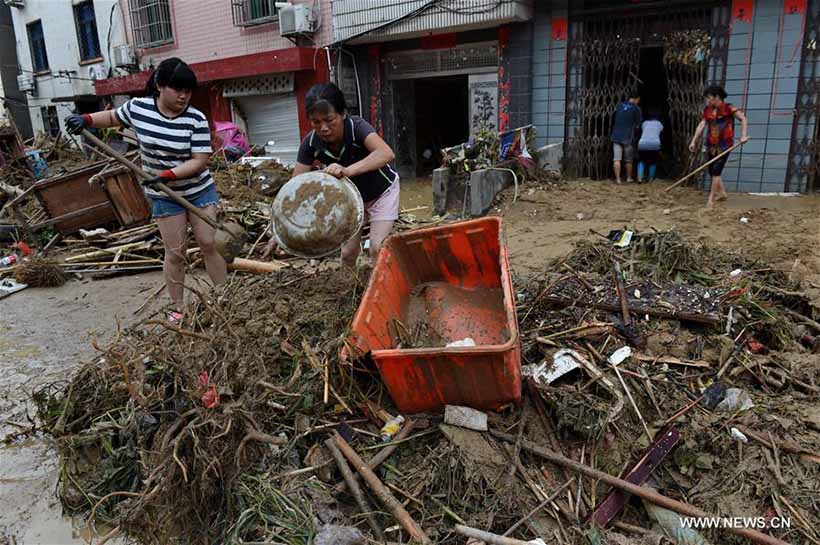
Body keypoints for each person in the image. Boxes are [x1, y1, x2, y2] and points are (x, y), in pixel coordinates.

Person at [65, 58, 225, 321]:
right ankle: (178, 309)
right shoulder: (139, 108)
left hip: (197, 190)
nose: (184, 96)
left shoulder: (195, 119)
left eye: (188, 91)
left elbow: (199, 161)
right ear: (161, 86)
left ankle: (223, 297)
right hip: (164, 196)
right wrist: (85, 119)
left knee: (208, 242)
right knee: (175, 253)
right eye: (178, 90)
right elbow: (111, 117)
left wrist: (167, 175)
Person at [265, 82, 397, 268]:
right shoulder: (310, 143)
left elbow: (386, 153)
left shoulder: (357, 128)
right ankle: (351, 292)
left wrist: (347, 170)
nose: (324, 128)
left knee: (377, 248)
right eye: (316, 122)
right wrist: (278, 230)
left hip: (381, 193)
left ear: (343, 114)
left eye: (329, 120)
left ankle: (379, 294)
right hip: (348, 199)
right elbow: (293, 187)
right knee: (348, 253)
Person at [689, 85, 749, 207]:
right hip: (711, 145)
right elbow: (701, 125)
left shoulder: (728, 108)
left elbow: (743, 119)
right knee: (712, 170)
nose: (707, 100)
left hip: (725, 146)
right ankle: (721, 193)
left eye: (709, 98)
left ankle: (711, 199)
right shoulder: (708, 110)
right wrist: (694, 141)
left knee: (716, 171)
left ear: (717, 97)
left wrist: (743, 136)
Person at [610, 90, 641, 184]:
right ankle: (628, 178)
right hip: (628, 137)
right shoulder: (636, 108)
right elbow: (637, 125)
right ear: (637, 99)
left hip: (616, 136)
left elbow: (614, 118)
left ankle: (618, 179)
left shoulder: (619, 105)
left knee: (616, 159)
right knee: (628, 160)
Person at [637, 108, 663, 182]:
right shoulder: (659, 124)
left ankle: (639, 178)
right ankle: (651, 178)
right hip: (655, 144)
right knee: (653, 162)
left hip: (642, 144)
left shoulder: (644, 123)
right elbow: (661, 132)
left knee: (641, 161)